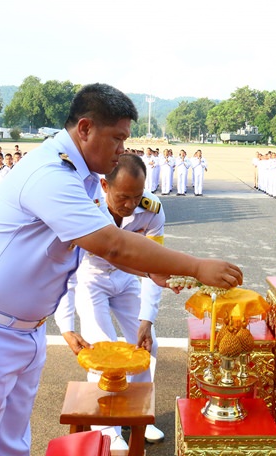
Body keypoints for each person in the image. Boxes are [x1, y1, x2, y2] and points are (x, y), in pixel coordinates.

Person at [0, 83, 242, 456]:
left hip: (22, 331)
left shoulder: (80, 176)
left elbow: (105, 248)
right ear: (86, 128)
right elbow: (112, 243)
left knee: (9, 444)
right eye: (117, 138)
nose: (123, 149)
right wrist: (198, 266)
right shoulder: (51, 174)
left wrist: (149, 272)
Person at [55, 154, 166, 451]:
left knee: (146, 343)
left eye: (136, 196)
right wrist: (66, 324)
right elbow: (64, 269)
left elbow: (154, 267)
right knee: (101, 348)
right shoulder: (85, 208)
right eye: (123, 197)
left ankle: (138, 415)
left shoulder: (152, 210)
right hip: (90, 278)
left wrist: (147, 319)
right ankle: (107, 427)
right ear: (104, 185)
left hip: (128, 278)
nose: (130, 205)